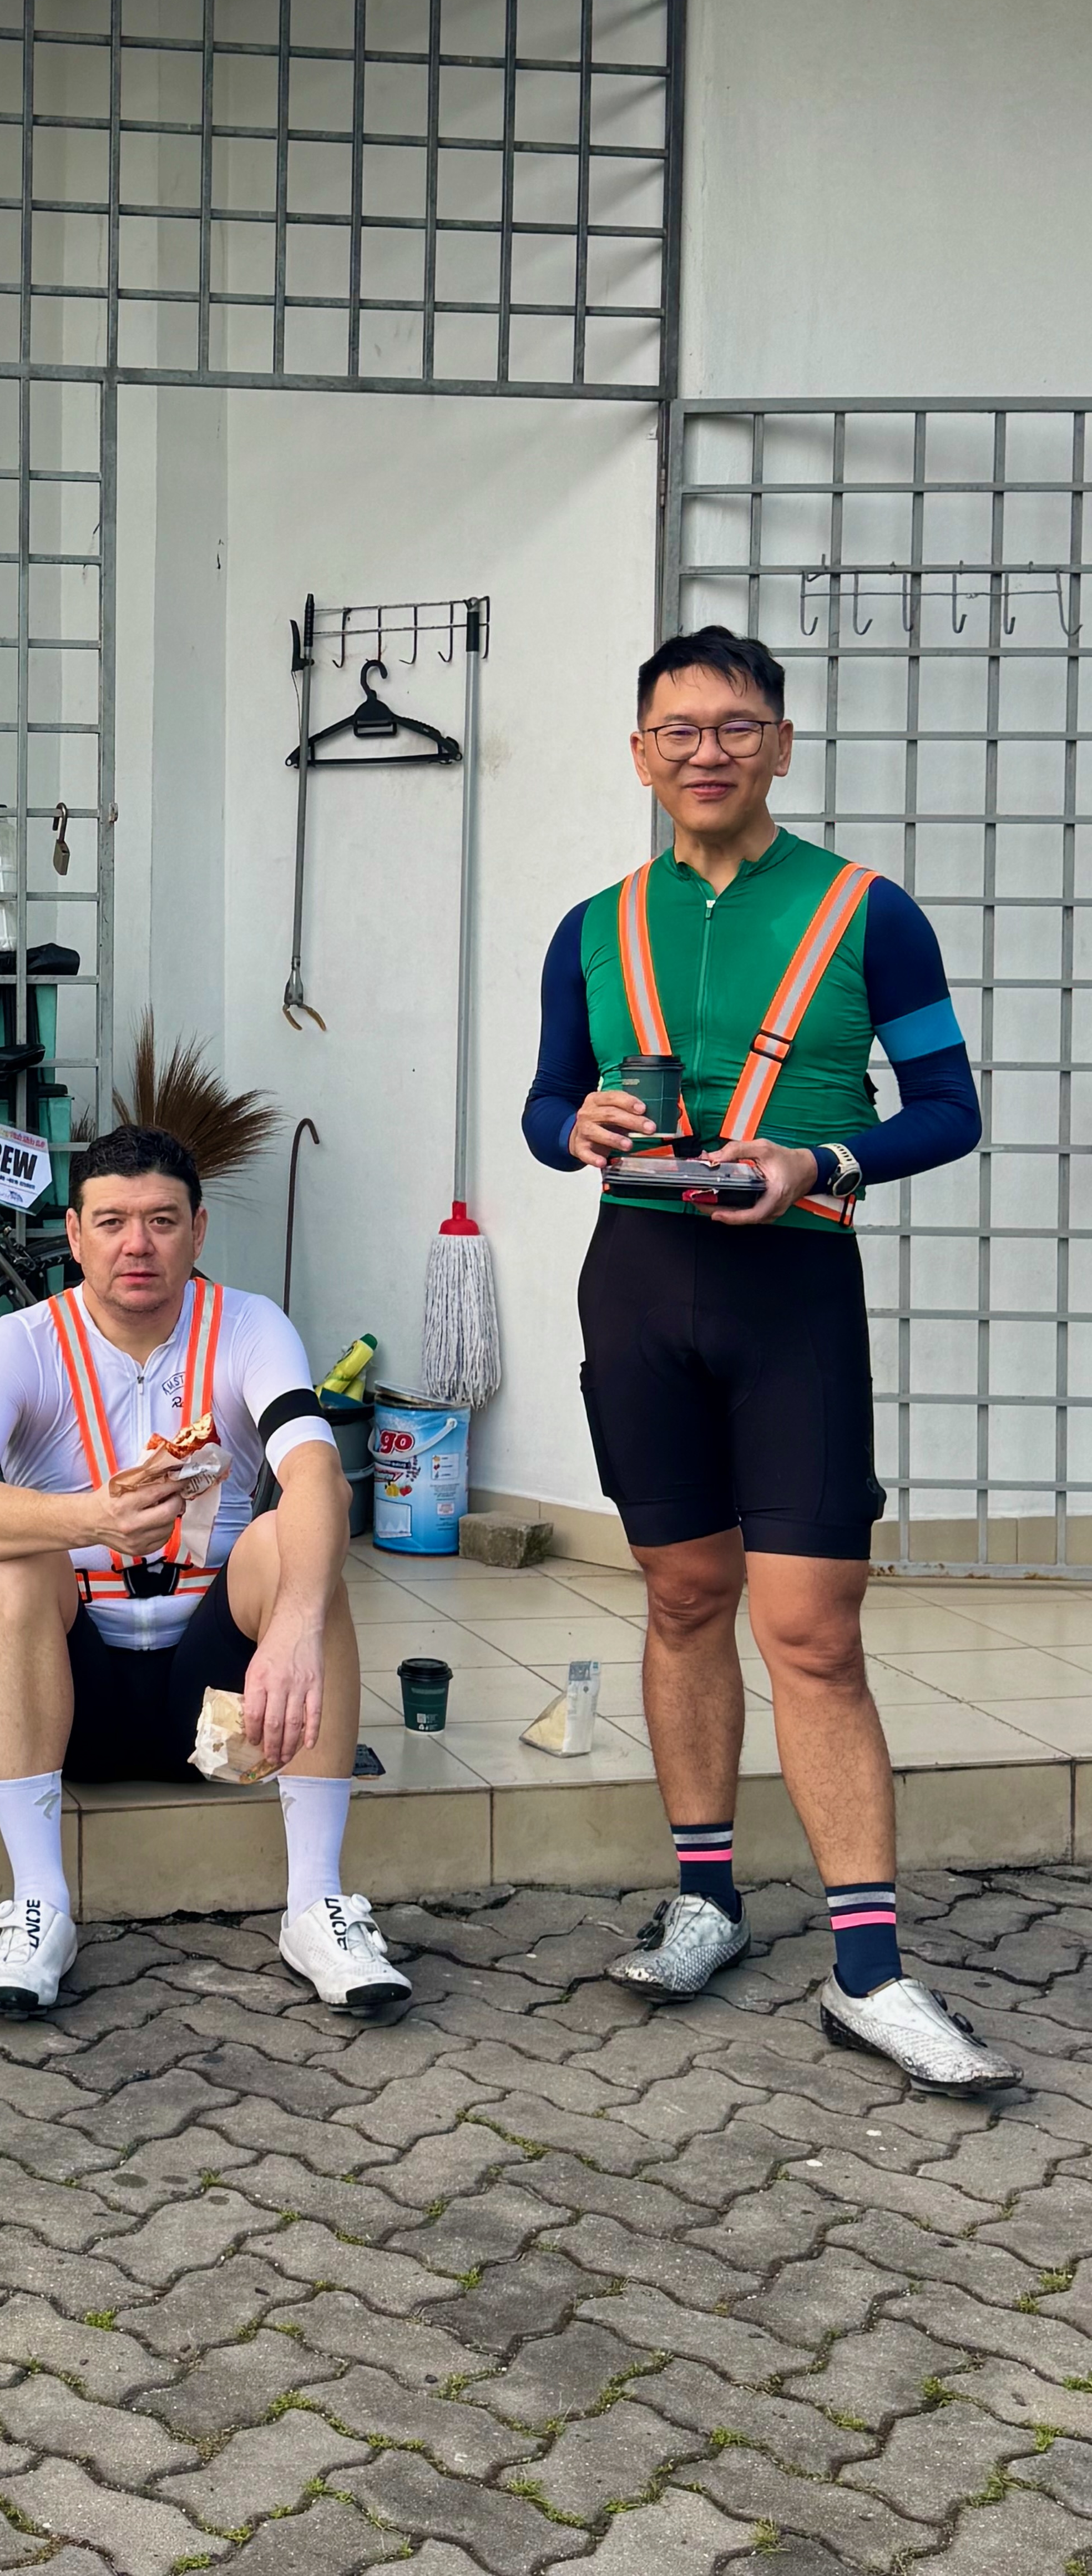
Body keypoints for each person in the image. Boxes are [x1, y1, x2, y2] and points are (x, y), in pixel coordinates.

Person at [523, 624, 1012, 2093]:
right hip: (635, 1284)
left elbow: (948, 1108)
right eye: (677, 730)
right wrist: (573, 1128)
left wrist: (821, 1157)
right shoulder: (592, 927)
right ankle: (705, 1901)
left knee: (813, 1630)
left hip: (792, 1289)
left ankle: (869, 1973)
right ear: (639, 754)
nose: (707, 751)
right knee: (682, 1595)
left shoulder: (869, 912)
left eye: (736, 726)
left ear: (780, 746)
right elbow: (546, 1106)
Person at [0, 1123, 405, 2021]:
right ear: (74, 1235)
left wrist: (295, 1627)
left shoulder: (249, 1325)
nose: (136, 1245)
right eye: (112, 1222)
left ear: (198, 1231)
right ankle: (37, 1905)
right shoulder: (20, 1342)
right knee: (10, 1564)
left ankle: (316, 1904)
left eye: (162, 1221)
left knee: (297, 1536)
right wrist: (89, 1518)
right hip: (75, 1705)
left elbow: (315, 1474)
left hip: (226, 1711)